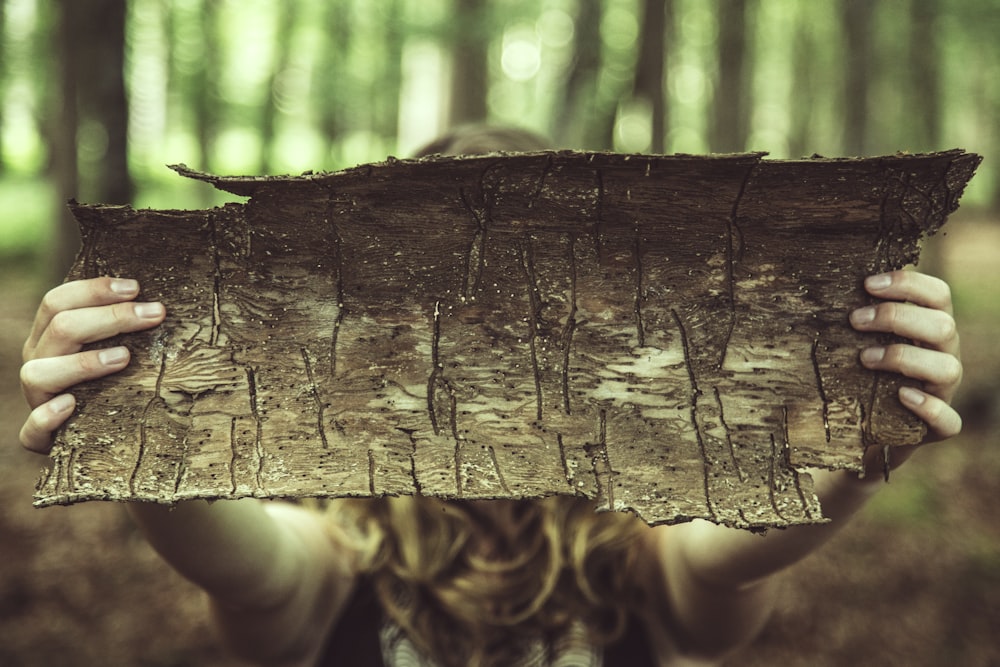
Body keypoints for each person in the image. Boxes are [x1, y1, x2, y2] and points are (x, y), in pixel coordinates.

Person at [19, 128, 963, 667]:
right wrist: (123, 418)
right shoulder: (338, 554)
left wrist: (862, 445)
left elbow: (730, 564)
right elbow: (242, 564)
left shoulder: (645, 556)